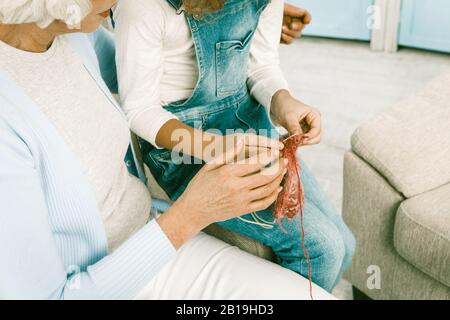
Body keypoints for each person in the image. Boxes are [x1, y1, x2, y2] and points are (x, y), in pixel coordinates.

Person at [0, 0, 333, 299]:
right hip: (113, 276)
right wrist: (192, 212)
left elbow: (149, 69)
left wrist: (230, 16)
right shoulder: (8, 124)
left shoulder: (71, 35)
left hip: (151, 233)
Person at [114, 0, 355, 292]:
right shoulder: (142, 7)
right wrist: (213, 147)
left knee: (346, 245)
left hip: (248, 126)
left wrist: (282, 100)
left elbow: (261, 66)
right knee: (323, 251)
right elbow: (140, 110)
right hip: (184, 147)